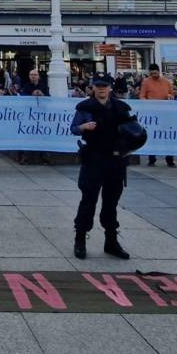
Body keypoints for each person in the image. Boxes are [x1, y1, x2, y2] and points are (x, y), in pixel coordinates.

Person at [71, 73, 137, 260]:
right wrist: (84, 127)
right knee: (88, 200)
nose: (101, 89)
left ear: (110, 88)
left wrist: (130, 146)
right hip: (93, 157)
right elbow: (74, 128)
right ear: (93, 88)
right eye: (98, 86)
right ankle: (80, 238)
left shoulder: (121, 107)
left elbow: (132, 131)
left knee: (111, 202)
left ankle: (111, 241)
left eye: (105, 86)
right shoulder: (85, 107)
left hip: (115, 159)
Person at [139, 63, 177, 167]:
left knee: (168, 136)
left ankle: (170, 160)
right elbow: (142, 96)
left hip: (166, 114)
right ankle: (152, 160)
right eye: (151, 74)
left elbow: (172, 95)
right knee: (152, 136)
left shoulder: (167, 82)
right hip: (152, 114)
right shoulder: (146, 82)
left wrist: (170, 96)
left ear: (159, 71)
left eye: (155, 73)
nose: (154, 75)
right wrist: (149, 103)